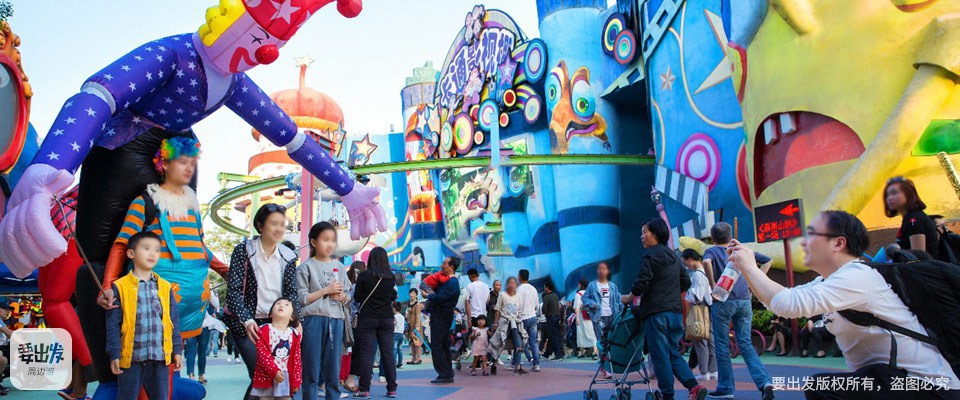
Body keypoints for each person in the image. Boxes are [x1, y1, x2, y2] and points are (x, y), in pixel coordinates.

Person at [732, 210, 960, 398]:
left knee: (822, 387)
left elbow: (788, 304)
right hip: (889, 381)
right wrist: (747, 270)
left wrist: (750, 267)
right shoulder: (827, 281)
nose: (804, 242)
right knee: (823, 387)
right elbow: (778, 302)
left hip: (926, 387)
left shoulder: (857, 276)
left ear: (839, 242)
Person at [621, 218, 708, 400]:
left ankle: (667, 394)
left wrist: (629, 297)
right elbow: (686, 282)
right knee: (672, 353)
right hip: (675, 313)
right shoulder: (674, 257)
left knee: (660, 356)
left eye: (645, 232)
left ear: (656, 234)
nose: (642, 236)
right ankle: (693, 386)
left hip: (656, 313)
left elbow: (641, 283)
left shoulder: (650, 256)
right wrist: (669, 292)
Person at [223, 204, 301, 399]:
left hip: (276, 324)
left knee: (271, 378)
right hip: (246, 323)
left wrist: (296, 320)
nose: (279, 229)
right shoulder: (244, 251)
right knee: (260, 373)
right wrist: (246, 320)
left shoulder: (288, 256)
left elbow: (292, 292)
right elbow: (233, 292)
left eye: (282, 224)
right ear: (260, 226)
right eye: (274, 223)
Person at [105, 232, 184, 400]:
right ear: (131, 253)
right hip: (131, 358)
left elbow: (173, 321)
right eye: (146, 248)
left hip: (159, 357)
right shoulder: (120, 286)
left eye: (157, 250)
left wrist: (177, 350)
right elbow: (113, 325)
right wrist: (115, 353)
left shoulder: (165, 286)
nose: (152, 253)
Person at [701, 221, 774, 399]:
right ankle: (764, 382)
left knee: (722, 345)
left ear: (713, 237)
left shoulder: (712, 251)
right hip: (744, 300)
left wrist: (713, 285)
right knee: (746, 343)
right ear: (730, 236)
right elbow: (767, 261)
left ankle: (726, 388)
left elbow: (706, 262)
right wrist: (754, 283)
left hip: (723, 299)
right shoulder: (740, 250)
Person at [297, 222, 351, 400]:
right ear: (313, 242)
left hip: (336, 319)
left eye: (333, 240)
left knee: (333, 368)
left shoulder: (340, 267)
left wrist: (342, 297)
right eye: (325, 240)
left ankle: (333, 396)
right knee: (311, 368)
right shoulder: (305, 267)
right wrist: (326, 290)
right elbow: (301, 299)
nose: (330, 244)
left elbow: (348, 297)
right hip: (312, 319)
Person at [353, 247, 399, 398]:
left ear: (370, 258)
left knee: (367, 354)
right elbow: (392, 296)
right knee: (388, 353)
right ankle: (392, 388)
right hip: (386, 318)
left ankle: (364, 389)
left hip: (367, 319)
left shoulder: (364, 276)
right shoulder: (390, 277)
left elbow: (357, 297)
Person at [251, 298, 302, 400]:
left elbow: (296, 359)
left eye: (286, 305)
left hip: (285, 376)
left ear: (292, 317)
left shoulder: (294, 334)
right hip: (266, 375)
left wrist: (297, 380)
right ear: (270, 314)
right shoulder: (263, 330)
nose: (281, 305)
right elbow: (263, 354)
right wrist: (274, 371)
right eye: (278, 304)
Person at [422, 256, 461, 384]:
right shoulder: (448, 281)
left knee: (437, 344)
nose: (442, 265)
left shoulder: (452, 283)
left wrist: (428, 295)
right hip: (442, 315)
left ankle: (444, 373)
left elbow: (440, 297)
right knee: (443, 344)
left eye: (444, 263)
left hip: (442, 315)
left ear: (451, 267)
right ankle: (447, 372)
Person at [680, 249, 717, 380]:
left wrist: (688, 294)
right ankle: (713, 370)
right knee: (711, 340)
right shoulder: (706, 271)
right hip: (709, 307)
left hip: (699, 307)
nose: (685, 265)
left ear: (690, 259)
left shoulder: (697, 274)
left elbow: (697, 296)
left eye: (685, 261)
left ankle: (703, 372)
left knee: (700, 340)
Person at [581, 261, 623, 375]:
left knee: (612, 341)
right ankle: (604, 367)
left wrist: (622, 312)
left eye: (604, 268)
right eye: (599, 268)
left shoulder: (613, 286)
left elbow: (618, 300)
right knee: (601, 341)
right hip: (598, 317)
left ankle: (611, 364)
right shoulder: (592, 285)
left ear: (607, 271)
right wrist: (593, 304)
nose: (602, 271)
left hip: (612, 317)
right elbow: (584, 298)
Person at [885, 176, 941, 260]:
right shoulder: (911, 217)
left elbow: (918, 258)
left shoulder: (914, 219)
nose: (889, 198)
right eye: (887, 195)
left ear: (908, 194)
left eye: (894, 193)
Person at [489, 277, 529, 375]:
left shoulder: (519, 296)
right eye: (510, 283)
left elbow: (519, 312)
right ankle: (494, 363)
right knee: (499, 344)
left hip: (515, 323)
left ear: (516, 285)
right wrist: (495, 323)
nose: (512, 285)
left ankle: (518, 367)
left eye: (514, 283)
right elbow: (498, 310)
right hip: (504, 322)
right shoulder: (502, 295)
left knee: (519, 344)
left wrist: (520, 323)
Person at [516, 269, 541, 372]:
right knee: (533, 342)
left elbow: (516, 305)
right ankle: (536, 364)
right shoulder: (533, 289)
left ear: (520, 276)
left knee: (520, 341)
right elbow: (537, 305)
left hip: (522, 318)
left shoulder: (518, 289)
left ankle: (517, 362)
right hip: (533, 317)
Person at [184, 308, 211, 383]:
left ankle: (191, 375)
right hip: (203, 324)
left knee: (191, 351)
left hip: (190, 325)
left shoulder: (185, 299)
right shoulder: (204, 299)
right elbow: (215, 304)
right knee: (202, 352)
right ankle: (201, 376)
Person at [573, 279, 597, 360]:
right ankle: (595, 352)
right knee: (592, 334)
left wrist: (577, 318)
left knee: (581, 334)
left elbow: (577, 307)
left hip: (581, 317)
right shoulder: (591, 293)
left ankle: (582, 352)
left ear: (580, 285)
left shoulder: (578, 294)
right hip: (591, 316)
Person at [540, 280, 564, 361]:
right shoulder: (555, 296)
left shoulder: (546, 297)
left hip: (550, 317)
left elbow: (544, 309)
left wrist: (545, 311)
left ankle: (558, 354)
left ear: (547, 288)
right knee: (552, 335)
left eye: (544, 287)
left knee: (553, 336)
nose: (544, 288)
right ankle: (547, 353)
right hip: (556, 317)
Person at [405, 289, 424, 365]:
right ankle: (413, 358)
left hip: (416, 325)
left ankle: (419, 359)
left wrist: (417, 327)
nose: (411, 294)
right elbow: (408, 314)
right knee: (412, 342)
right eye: (410, 293)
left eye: (413, 293)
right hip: (410, 325)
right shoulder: (409, 303)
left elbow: (418, 316)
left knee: (417, 342)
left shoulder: (417, 304)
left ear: (416, 294)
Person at [206, 291, 227, 359]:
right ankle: (215, 353)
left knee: (209, 341)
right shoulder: (215, 312)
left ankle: (207, 352)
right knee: (215, 341)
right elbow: (216, 315)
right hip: (215, 328)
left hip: (209, 327)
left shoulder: (207, 308)